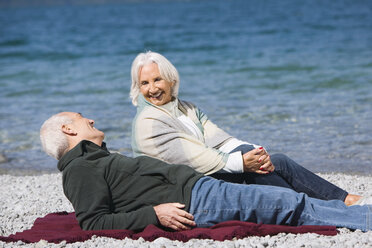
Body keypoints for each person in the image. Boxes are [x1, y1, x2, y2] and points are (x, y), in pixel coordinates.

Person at [40, 112, 372, 232]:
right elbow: (93, 221)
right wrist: (152, 214)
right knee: (287, 206)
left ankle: (362, 213)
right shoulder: (79, 169)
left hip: (201, 189)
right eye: (83, 118)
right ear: (69, 129)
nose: (92, 120)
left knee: (290, 200)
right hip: (198, 201)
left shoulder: (93, 160)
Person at [130, 51, 366, 206]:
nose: (152, 89)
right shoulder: (148, 122)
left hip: (204, 173)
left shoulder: (185, 108)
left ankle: (343, 199)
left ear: (172, 80)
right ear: (137, 87)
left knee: (277, 160)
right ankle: (313, 208)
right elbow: (195, 158)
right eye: (144, 83)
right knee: (255, 170)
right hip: (184, 189)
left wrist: (257, 153)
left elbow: (220, 139)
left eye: (157, 80)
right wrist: (245, 163)